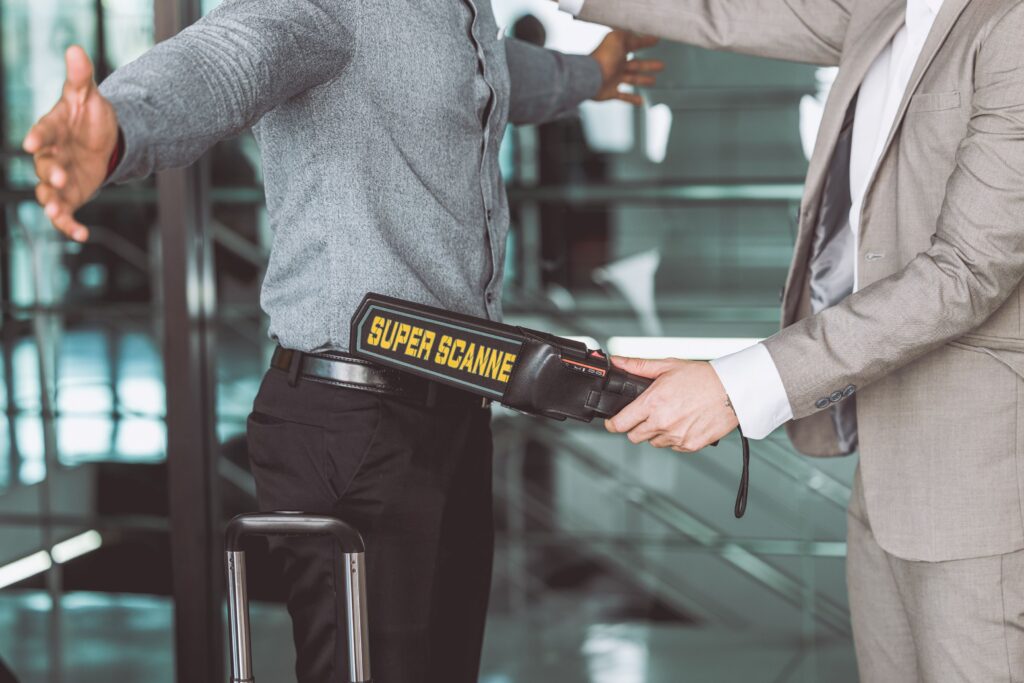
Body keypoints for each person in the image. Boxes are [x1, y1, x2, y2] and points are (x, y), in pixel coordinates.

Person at [22, 1, 663, 681]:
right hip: (356, 423)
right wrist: (120, 127)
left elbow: (489, 72)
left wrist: (588, 74)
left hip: (453, 410)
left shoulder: (454, 11)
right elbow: (230, 58)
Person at [556, 0, 1024, 680]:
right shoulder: (885, 11)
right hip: (886, 476)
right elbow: (721, 12)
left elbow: (966, 274)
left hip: (980, 488)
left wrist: (733, 386)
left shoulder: (1010, 23)